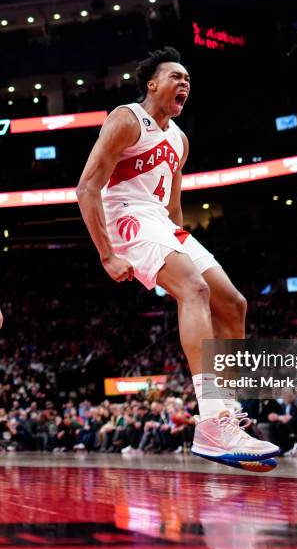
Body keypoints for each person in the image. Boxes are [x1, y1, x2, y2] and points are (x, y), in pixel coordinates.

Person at [76, 47, 278, 469]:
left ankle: (226, 414)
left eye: (188, 79)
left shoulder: (179, 139)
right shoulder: (127, 118)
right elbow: (87, 187)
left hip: (161, 222)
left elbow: (172, 209)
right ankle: (211, 421)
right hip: (124, 216)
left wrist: (180, 246)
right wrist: (107, 255)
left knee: (233, 303)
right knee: (195, 288)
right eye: (176, 76)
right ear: (152, 84)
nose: (184, 83)